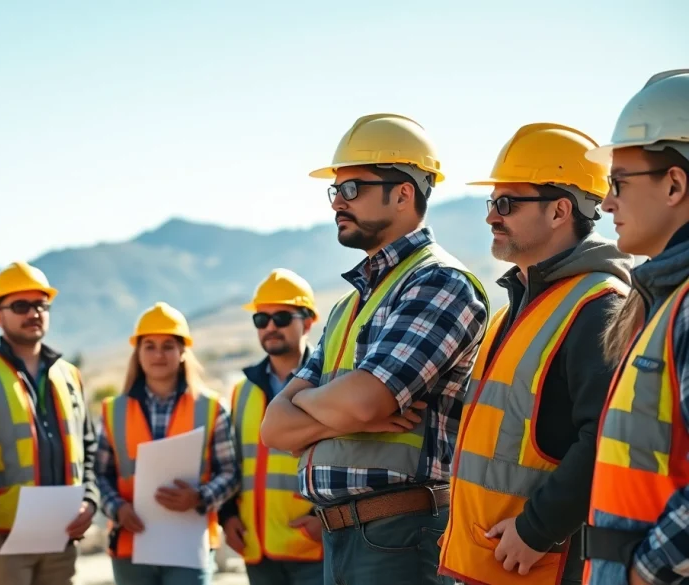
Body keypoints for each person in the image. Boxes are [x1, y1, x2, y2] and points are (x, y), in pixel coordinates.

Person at [259, 112, 490, 585]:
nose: (336, 205)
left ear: (404, 193)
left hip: (401, 536)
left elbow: (366, 401)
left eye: (352, 190)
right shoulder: (350, 304)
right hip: (344, 537)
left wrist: (310, 401)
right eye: (335, 191)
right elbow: (274, 429)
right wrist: (340, 408)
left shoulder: (439, 283)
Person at [435, 123, 632, 585]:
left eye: (507, 203)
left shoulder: (599, 306)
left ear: (561, 209)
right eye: (492, 203)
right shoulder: (517, 309)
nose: (491, 217)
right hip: (480, 562)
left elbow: (606, 438)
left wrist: (537, 529)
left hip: (538, 566)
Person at [582, 69, 689, 585]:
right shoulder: (665, 301)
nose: (606, 203)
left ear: (674, 184)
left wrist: (645, 572)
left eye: (619, 182)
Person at [0, 261, 98, 585]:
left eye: (40, 304)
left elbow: (89, 448)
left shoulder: (70, 375)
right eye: (21, 305)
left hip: (62, 534)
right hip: (2, 537)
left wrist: (90, 501)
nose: (33, 312)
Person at [96, 302, 239, 585]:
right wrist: (118, 509)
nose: (158, 354)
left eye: (168, 346)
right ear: (137, 353)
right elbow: (99, 474)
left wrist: (201, 497)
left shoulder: (212, 408)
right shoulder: (113, 410)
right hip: (131, 542)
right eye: (149, 345)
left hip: (189, 540)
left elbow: (231, 472)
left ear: (183, 351)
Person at [219, 269, 324, 585]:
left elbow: (345, 452)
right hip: (257, 545)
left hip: (311, 545)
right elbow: (233, 461)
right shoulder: (242, 391)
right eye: (261, 320)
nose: (270, 327)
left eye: (281, 317)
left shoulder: (329, 382)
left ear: (307, 322)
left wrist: (325, 518)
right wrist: (227, 516)